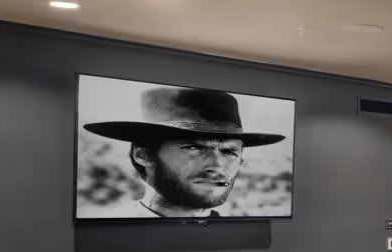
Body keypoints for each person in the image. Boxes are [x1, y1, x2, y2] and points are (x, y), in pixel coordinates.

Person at [83, 87, 285, 218]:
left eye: (229, 152)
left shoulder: (237, 236)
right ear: (143, 155)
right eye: (193, 148)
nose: (216, 166)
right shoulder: (108, 230)